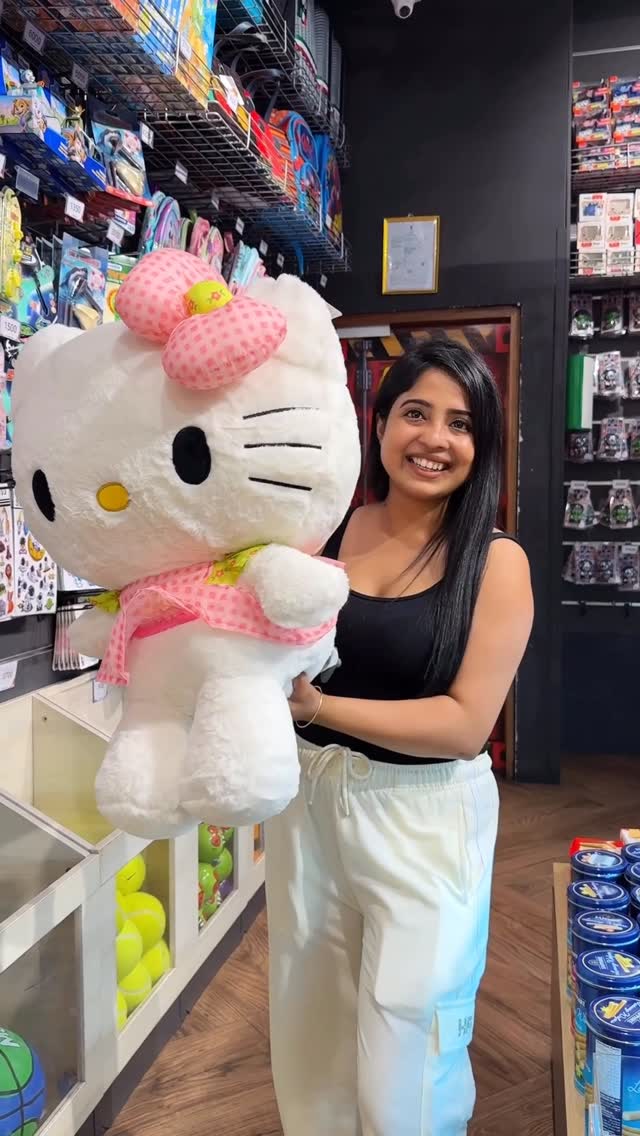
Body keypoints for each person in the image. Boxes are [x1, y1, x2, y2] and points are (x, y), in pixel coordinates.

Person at [265, 340, 534, 1136]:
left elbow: (463, 725)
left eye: (461, 423)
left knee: (407, 1062)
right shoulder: (322, 533)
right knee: (310, 1041)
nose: (435, 439)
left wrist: (316, 708)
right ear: (379, 424)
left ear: (481, 445)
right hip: (309, 806)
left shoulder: (496, 562)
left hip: (425, 822)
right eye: (416, 413)